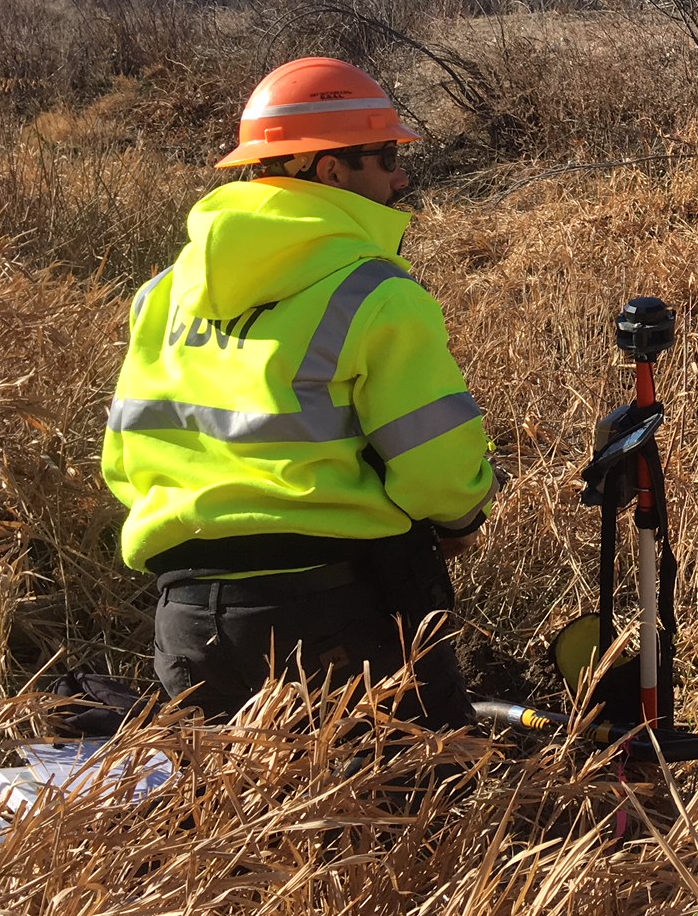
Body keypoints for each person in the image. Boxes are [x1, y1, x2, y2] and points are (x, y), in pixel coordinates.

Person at [101, 57, 496, 727]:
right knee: (427, 805)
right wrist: (459, 522)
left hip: (185, 624)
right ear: (329, 170)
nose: (401, 174)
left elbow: (124, 459)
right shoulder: (377, 294)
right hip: (331, 614)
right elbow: (438, 468)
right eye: (387, 154)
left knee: (236, 826)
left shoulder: (162, 294)